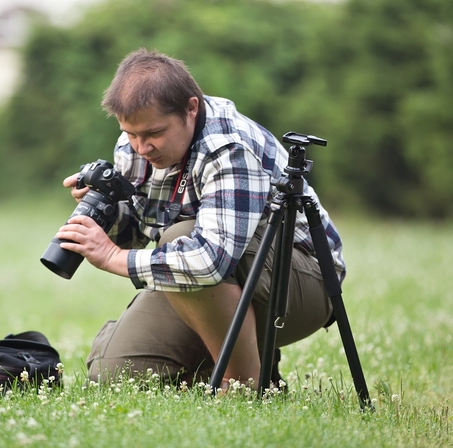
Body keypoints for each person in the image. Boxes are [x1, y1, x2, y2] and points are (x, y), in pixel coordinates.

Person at [55, 49, 343, 389]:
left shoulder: (229, 147)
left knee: (180, 240)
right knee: (114, 372)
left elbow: (209, 261)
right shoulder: (134, 145)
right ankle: (240, 358)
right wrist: (106, 211)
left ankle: (244, 383)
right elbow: (136, 232)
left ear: (191, 108)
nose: (141, 147)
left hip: (302, 282)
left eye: (153, 133)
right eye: (131, 134)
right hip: (208, 289)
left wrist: (114, 257)